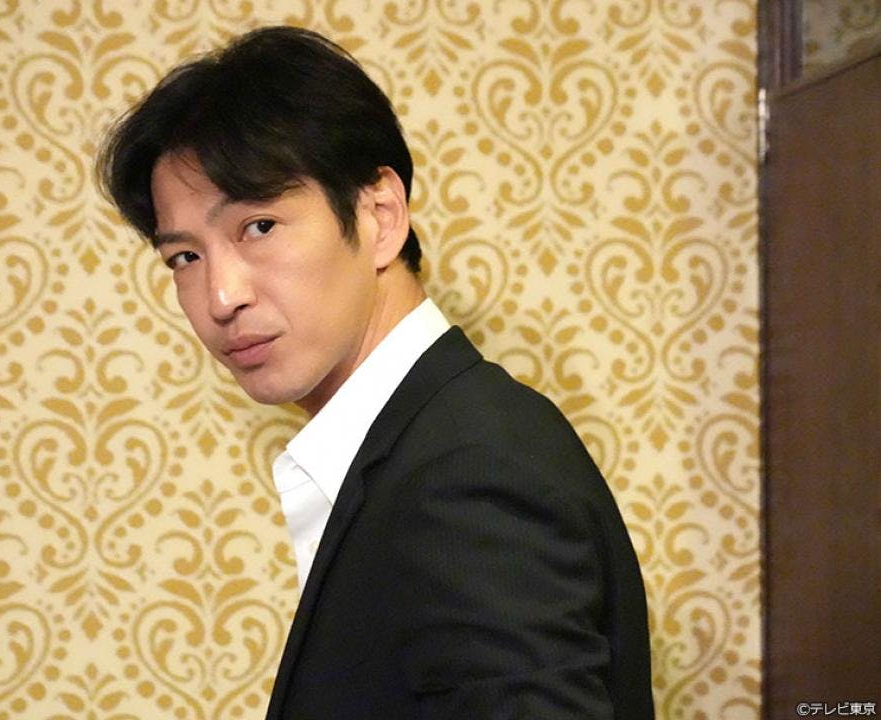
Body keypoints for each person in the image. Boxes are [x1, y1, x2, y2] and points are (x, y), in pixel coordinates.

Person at [97, 25, 654, 720]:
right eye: (185, 257)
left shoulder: (467, 475)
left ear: (380, 217)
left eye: (259, 227)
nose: (220, 296)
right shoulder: (426, 449)